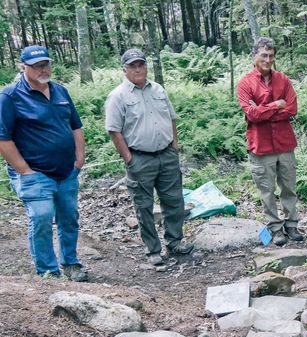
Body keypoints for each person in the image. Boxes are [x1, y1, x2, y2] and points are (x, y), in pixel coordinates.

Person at [0, 45, 88, 281]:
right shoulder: (10, 96)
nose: (43, 69)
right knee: (41, 217)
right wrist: (24, 170)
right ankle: (48, 272)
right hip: (34, 172)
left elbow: (75, 126)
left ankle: (71, 263)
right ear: (23, 67)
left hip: (67, 170)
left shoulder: (60, 91)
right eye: (36, 65)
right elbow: (3, 138)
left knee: (69, 217)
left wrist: (79, 158)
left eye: (46, 64)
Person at [105, 48, 193, 266]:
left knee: (174, 200)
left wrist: (174, 147)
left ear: (146, 66)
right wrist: (129, 159)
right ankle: (153, 249)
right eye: (132, 65)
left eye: (141, 64)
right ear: (124, 69)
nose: (138, 69)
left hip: (166, 154)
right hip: (140, 158)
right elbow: (114, 130)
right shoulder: (118, 96)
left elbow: (171, 118)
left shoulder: (158, 89)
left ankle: (175, 241)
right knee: (143, 206)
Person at [237, 37, 303, 247]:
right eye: (264, 55)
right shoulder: (245, 83)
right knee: (267, 190)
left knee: (288, 188)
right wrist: (276, 105)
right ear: (254, 56)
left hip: (284, 144)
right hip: (260, 146)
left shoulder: (283, 80)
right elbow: (252, 115)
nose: (268, 59)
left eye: (271, 55)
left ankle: (291, 225)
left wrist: (262, 109)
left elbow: (292, 109)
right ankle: (275, 229)